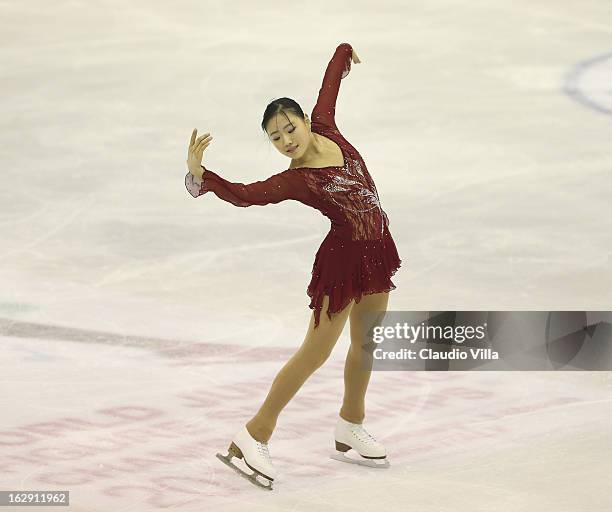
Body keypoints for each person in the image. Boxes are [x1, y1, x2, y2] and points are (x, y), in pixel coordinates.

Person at [185, 42, 401, 490]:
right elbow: (245, 194)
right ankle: (253, 433)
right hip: (342, 264)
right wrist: (200, 176)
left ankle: (350, 425)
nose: (287, 140)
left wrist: (344, 52)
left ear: (304, 119)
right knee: (315, 353)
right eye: (276, 137)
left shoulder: (327, 126)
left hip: (377, 252)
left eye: (289, 128)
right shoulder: (297, 179)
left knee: (366, 343)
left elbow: (330, 82)